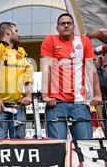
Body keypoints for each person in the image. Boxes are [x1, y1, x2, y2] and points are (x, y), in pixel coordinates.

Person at [41, 13, 102, 141]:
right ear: (57, 28)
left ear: (74, 26)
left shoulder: (84, 41)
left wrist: (97, 94)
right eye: (63, 23)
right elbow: (46, 68)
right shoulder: (50, 40)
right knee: (58, 146)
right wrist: (45, 95)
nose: (66, 25)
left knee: (84, 145)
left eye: (69, 23)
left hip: (80, 102)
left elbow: (91, 68)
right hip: (56, 103)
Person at [0, 22, 34, 139]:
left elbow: (28, 76)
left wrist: (29, 95)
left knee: (20, 143)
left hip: (19, 106)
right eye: (16, 31)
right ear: (8, 31)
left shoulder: (22, 52)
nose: (18, 34)